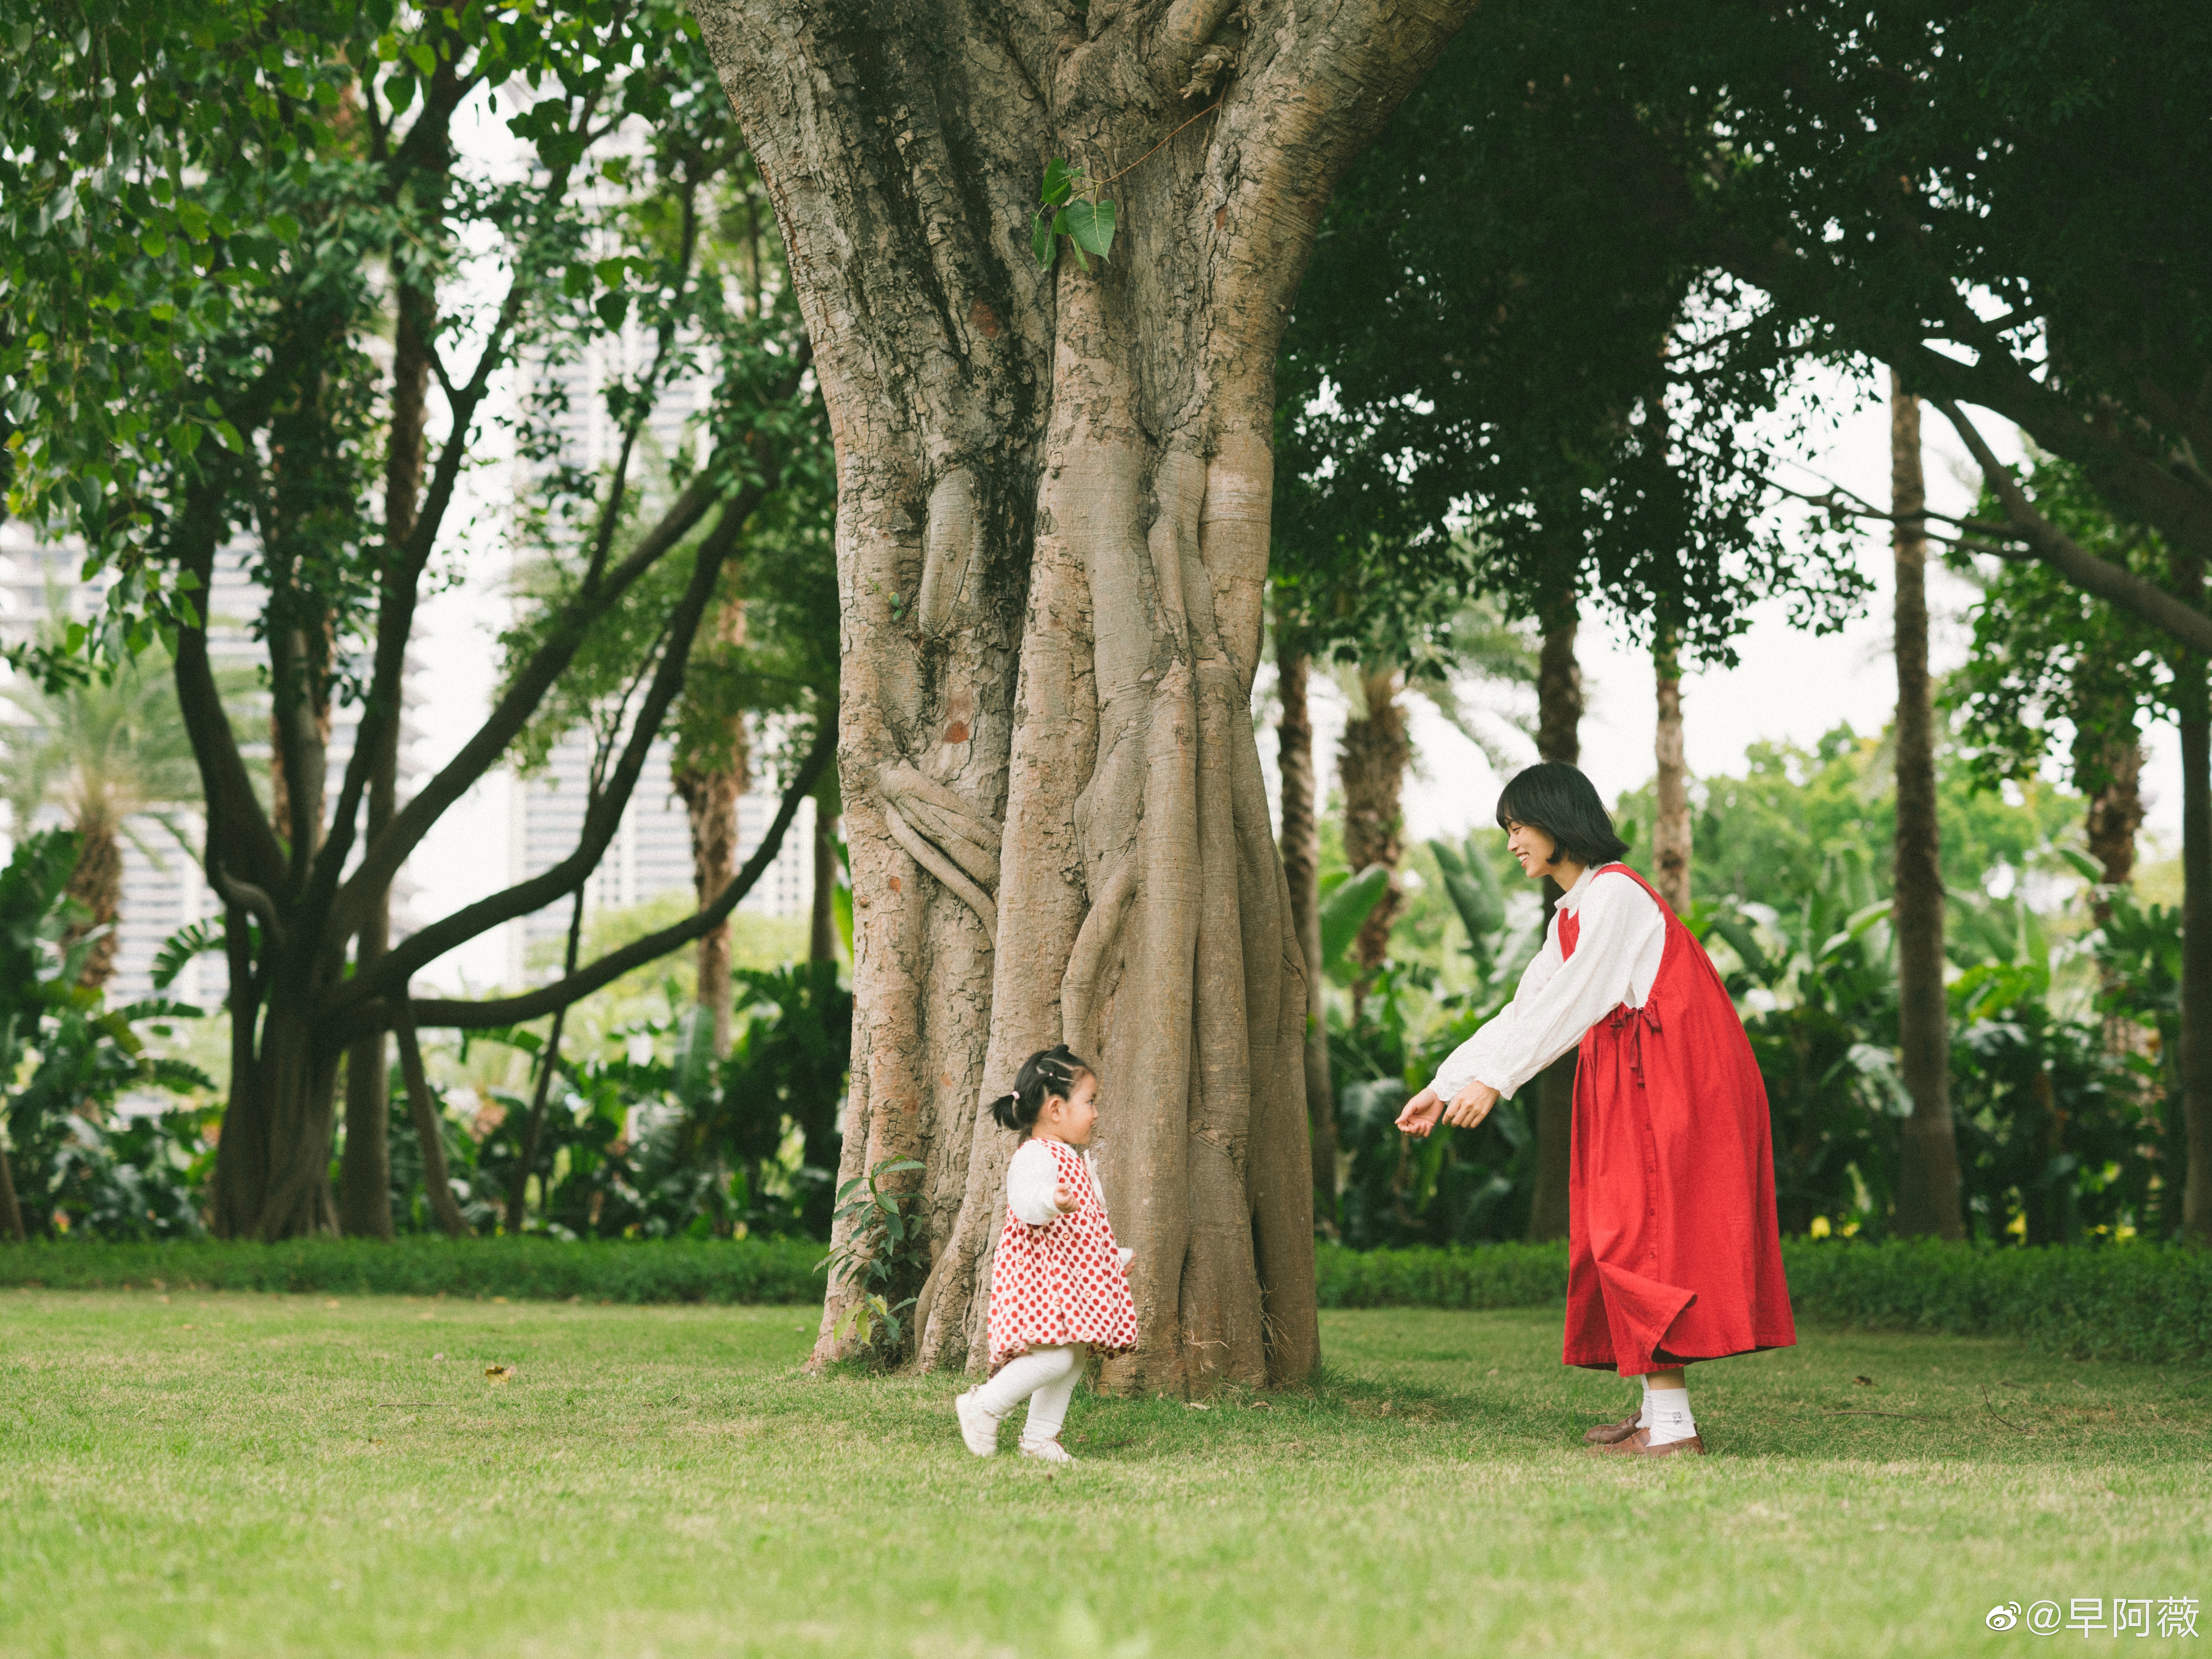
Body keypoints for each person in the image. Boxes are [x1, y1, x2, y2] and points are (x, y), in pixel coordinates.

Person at [1397, 761, 1795, 1456]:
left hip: (1671, 1079)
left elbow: (1574, 1000)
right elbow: (1528, 1006)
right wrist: (1445, 1080)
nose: (1513, 841)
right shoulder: (1574, 912)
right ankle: (1654, 1414)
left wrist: (1496, 1080)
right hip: (1633, 1078)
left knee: (1643, 1239)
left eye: (1518, 826)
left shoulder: (1613, 895)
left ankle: (1673, 1429)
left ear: (1557, 823)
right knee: (1619, 1235)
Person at [956, 1044, 1137, 1464]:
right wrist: (1050, 1200)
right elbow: (1024, 1204)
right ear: (1056, 1108)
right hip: (1039, 1280)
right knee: (1054, 1356)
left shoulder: (1071, 1156)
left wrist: (1111, 1258)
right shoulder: (1035, 1155)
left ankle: (1039, 1438)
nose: (1095, 1112)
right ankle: (983, 1405)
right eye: (1089, 1102)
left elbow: (1087, 1226)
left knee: (1072, 1355)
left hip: (1067, 1280)